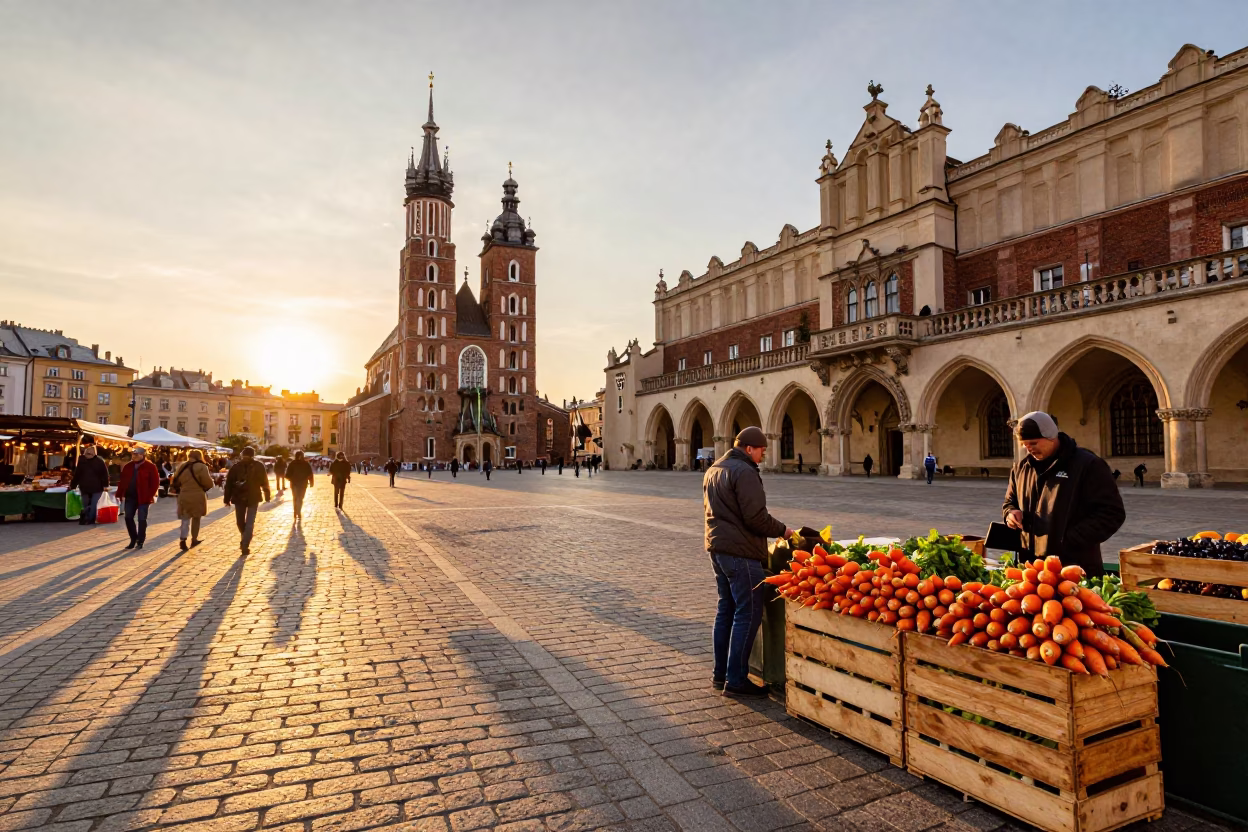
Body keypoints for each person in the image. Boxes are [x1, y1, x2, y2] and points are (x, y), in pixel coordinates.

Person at [705, 427, 792, 699]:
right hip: (741, 553)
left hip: (718, 549)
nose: (762, 456)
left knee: (726, 610)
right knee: (748, 612)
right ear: (750, 448)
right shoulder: (744, 472)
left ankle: (721, 674)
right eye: (762, 451)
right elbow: (756, 518)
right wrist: (785, 531)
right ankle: (737, 680)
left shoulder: (714, 469)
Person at [1003, 411, 1125, 577]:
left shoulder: (1088, 465)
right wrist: (1010, 513)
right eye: (1024, 444)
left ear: (1051, 437)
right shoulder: (1021, 468)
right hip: (1031, 570)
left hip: (1074, 567)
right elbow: (1010, 502)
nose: (1028, 448)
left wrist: (1068, 539)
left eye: (1033, 443)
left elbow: (1112, 513)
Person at [223, 446, 271, 554]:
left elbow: (264, 481)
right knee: (244, 522)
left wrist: (267, 494)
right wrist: (227, 499)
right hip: (245, 497)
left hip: (248, 497)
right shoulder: (237, 467)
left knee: (245, 522)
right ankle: (246, 539)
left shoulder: (256, 466)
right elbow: (229, 484)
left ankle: (245, 543)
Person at [171, 449, 214, 550]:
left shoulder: (182, 466)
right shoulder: (202, 466)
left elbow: (176, 480)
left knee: (185, 519)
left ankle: (183, 539)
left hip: (184, 494)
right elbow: (208, 483)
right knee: (196, 518)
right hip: (197, 495)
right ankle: (194, 539)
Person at [118, 447, 160, 549]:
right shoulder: (128, 466)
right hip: (130, 496)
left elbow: (155, 483)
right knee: (128, 517)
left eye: (136, 455)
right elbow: (123, 480)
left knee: (141, 519)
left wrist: (150, 495)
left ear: (142, 455)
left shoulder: (150, 466)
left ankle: (140, 540)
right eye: (133, 454)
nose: (134, 456)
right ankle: (133, 539)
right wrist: (120, 493)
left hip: (143, 497)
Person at [69, 444, 109, 525]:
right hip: (84, 487)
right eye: (87, 453)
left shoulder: (99, 461)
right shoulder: (81, 461)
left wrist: (105, 485)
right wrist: (73, 485)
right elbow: (77, 474)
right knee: (85, 503)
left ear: (94, 453)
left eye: (90, 453)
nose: (88, 454)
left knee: (93, 504)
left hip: (97, 487)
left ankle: (91, 519)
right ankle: (86, 518)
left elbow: (104, 474)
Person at [286, 450, 314, 521]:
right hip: (302, 484)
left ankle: (296, 512)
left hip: (295, 484)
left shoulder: (293, 463)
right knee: (300, 498)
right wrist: (311, 482)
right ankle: (298, 512)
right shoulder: (305, 464)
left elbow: (287, 475)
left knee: (295, 498)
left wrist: (292, 479)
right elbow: (310, 474)